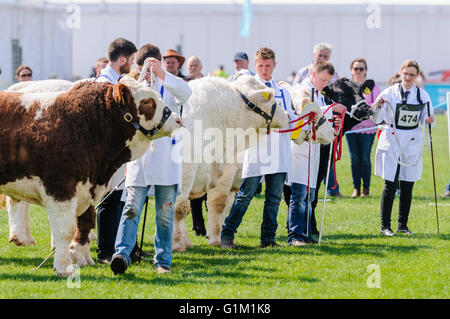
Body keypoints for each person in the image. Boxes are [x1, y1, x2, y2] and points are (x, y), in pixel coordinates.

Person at [111, 43, 191, 275]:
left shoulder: (170, 86)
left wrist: (162, 75)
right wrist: (141, 78)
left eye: (152, 65)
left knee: (165, 214)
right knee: (131, 209)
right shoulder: (135, 86)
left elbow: (187, 93)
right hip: (140, 159)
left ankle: (162, 261)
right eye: (144, 65)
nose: (148, 69)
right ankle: (122, 255)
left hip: (167, 158)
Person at [220, 47, 296, 249]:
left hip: (279, 149)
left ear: (274, 65)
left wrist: (301, 119)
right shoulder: (248, 90)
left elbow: (290, 117)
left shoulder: (282, 92)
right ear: (255, 65)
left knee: (273, 198)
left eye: (268, 65)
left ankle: (268, 238)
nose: (264, 69)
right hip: (255, 148)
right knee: (246, 194)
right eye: (260, 65)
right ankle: (227, 235)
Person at [372, 60, 435, 236]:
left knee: (408, 184)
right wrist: (377, 107)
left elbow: (426, 118)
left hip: (411, 141)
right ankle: (385, 226)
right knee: (390, 184)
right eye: (405, 73)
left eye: (412, 75)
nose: (408, 77)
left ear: (417, 76)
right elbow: (375, 117)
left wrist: (430, 120)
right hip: (392, 138)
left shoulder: (422, 95)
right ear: (401, 73)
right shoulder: (389, 92)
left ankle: (403, 225)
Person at [288, 61, 346, 246]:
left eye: (327, 81)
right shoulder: (300, 89)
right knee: (299, 194)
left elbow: (322, 121)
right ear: (314, 73)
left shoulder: (320, 95)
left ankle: (306, 233)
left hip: (315, 150)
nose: (324, 84)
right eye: (322, 79)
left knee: (310, 195)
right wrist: (331, 108)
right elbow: (303, 109)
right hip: (299, 148)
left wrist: (333, 128)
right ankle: (295, 236)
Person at [94, 38, 137, 264]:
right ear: (122, 59)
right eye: (130, 60)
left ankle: (121, 248)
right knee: (109, 200)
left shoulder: (117, 80)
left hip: (118, 152)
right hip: (107, 152)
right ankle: (105, 252)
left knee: (119, 198)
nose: (131, 63)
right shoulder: (104, 84)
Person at [346, 58, 381, 197]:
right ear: (351, 70)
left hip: (367, 128)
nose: (358, 71)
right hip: (351, 128)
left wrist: (364, 106)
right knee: (354, 158)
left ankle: (366, 189)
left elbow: (377, 103)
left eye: (361, 69)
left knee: (365, 157)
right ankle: (356, 189)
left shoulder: (372, 86)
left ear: (365, 70)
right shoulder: (348, 86)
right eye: (356, 69)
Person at [184, 55, 207, 236]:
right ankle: (198, 226)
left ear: (201, 67)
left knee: (208, 181)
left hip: (207, 137)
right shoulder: (184, 84)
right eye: (190, 65)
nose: (192, 67)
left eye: (195, 65)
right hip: (190, 137)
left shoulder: (207, 85)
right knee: (192, 183)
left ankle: (213, 221)